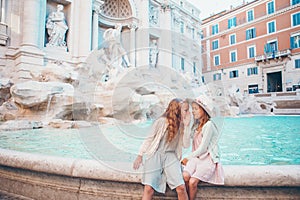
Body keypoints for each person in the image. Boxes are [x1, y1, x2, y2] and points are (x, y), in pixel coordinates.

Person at [133, 98, 191, 200]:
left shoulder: (182, 125)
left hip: (171, 156)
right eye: (185, 110)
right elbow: (149, 139)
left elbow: (186, 145)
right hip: (155, 154)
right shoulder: (160, 122)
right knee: (149, 189)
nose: (188, 113)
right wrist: (140, 155)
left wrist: (186, 127)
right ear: (177, 110)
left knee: (181, 188)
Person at [181, 95, 224, 200]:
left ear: (204, 110)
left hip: (207, 159)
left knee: (192, 182)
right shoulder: (196, 126)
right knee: (185, 176)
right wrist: (186, 126)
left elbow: (203, 149)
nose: (193, 111)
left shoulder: (208, 125)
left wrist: (188, 158)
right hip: (196, 159)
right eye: (193, 109)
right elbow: (185, 143)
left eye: (196, 109)